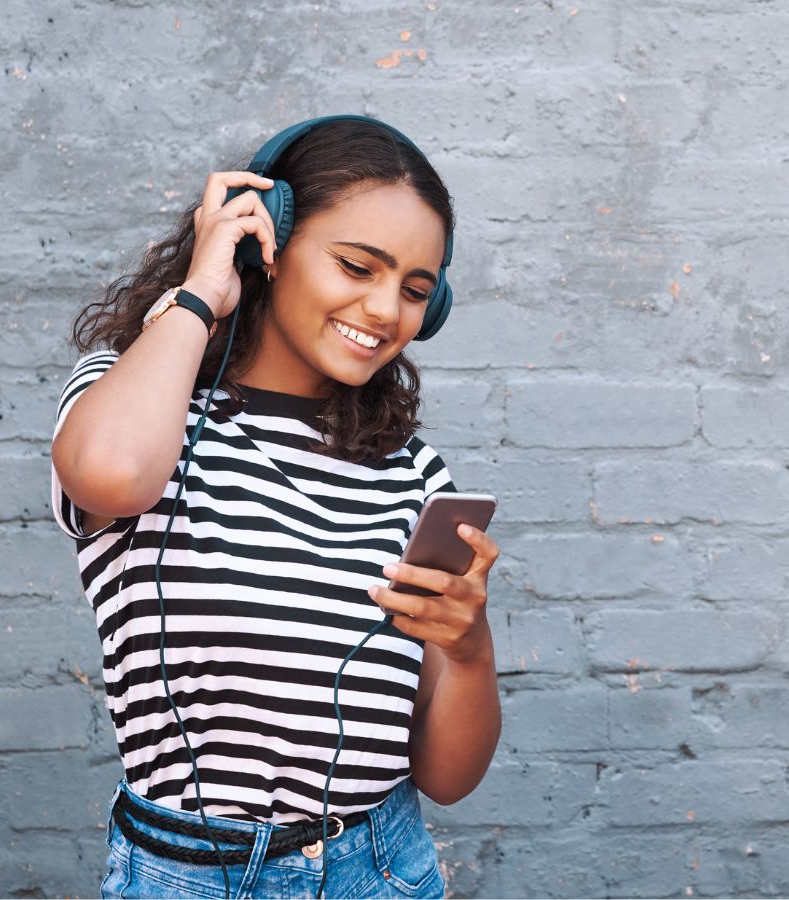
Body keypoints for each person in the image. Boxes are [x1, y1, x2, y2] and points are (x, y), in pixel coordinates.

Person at [49, 117, 501, 898]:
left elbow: (449, 777)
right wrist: (200, 293)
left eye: (417, 290)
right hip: (186, 874)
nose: (387, 309)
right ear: (268, 240)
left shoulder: (412, 475)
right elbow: (112, 475)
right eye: (359, 266)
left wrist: (467, 649)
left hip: (379, 869)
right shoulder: (131, 401)